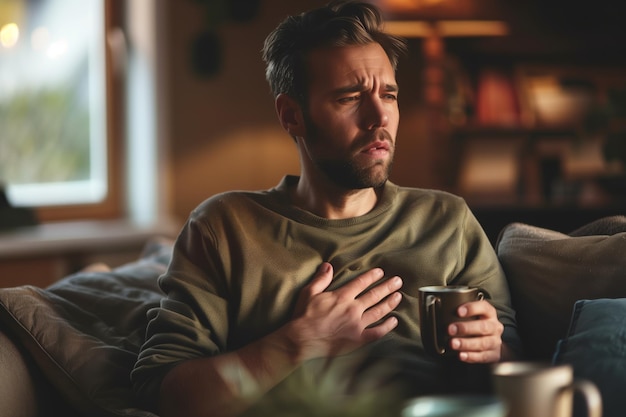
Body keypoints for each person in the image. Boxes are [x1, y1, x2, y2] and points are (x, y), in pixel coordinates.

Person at [132, 1, 521, 416]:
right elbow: (165, 393)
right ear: (291, 116)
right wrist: (295, 344)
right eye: (350, 98)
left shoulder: (447, 220)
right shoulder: (225, 229)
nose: (379, 117)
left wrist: (493, 347)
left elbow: (519, 363)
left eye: (388, 94)